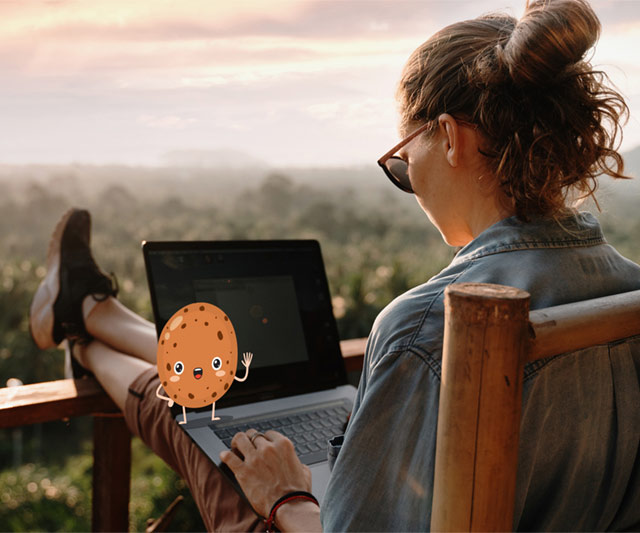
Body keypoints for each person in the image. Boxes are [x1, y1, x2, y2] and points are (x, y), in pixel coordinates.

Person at [28, 0, 640, 530]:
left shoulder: (430, 326)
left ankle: (83, 329)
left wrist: (286, 495)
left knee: (201, 425)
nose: (410, 182)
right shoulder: (628, 292)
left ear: (450, 137)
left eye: (403, 161)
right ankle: (89, 312)